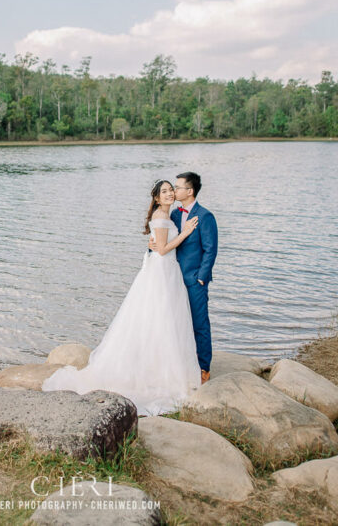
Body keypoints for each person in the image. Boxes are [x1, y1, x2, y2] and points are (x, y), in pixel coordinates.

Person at [41, 180, 202, 416]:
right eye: (164, 192)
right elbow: (162, 249)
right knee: (160, 317)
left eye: (171, 190)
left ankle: (159, 366)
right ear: (157, 198)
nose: (169, 194)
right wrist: (186, 232)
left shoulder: (169, 216)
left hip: (167, 271)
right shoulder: (160, 216)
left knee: (165, 321)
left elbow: (157, 243)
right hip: (161, 270)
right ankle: (156, 372)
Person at [149, 171, 218, 383]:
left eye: (177, 187)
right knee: (176, 322)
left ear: (189, 191)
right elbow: (163, 239)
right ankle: (181, 362)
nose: (174, 191)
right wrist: (151, 245)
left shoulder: (205, 216)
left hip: (193, 279)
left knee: (199, 324)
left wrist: (201, 277)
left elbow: (210, 249)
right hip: (171, 278)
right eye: (172, 188)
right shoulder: (174, 214)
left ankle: (203, 368)